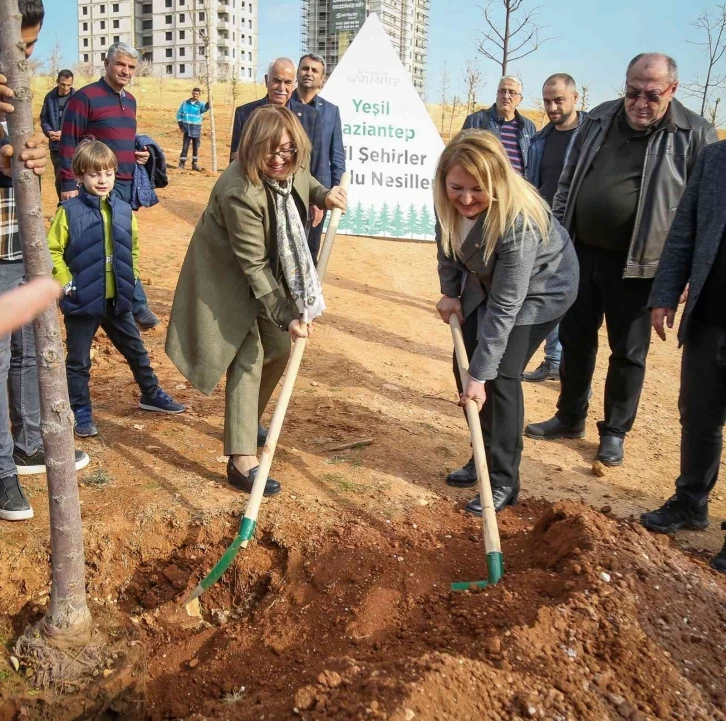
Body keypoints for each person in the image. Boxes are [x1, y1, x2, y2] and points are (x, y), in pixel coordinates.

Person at [525, 53, 718, 468]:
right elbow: (567, 183)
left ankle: (614, 431)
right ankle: (569, 415)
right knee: (576, 340)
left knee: (628, 353)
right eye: (633, 92)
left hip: (642, 266)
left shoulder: (695, 134)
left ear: (672, 90)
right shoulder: (597, 119)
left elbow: (705, 212)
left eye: (652, 94)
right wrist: (556, 242)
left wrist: (686, 274)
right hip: (580, 253)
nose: (640, 102)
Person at [166, 105, 346, 497]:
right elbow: (254, 266)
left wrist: (324, 194)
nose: (281, 159)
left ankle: (245, 419)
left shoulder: (287, 166)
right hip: (227, 279)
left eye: (289, 150)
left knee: (279, 350)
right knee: (247, 356)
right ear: (252, 147)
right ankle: (241, 457)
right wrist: (287, 314)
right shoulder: (240, 191)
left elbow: (304, 178)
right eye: (272, 151)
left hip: (264, 273)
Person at [436, 130, 578, 515]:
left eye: (477, 189)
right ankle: (480, 455)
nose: (465, 199)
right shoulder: (446, 199)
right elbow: (448, 247)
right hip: (486, 278)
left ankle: (502, 480)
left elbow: (505, 307)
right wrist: (450, 291)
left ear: (497, 182)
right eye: (456, 187)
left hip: (541, 290)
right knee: (463, 362)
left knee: (497, 375)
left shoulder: (520, 223)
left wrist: (481, 376)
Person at [0, 0, 89, 523]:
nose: (23, 56)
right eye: (17, 45)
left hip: (16, 241)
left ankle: (30, 442)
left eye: (30, 47)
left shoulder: (19, 91)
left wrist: (30, 156)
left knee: (28, 351)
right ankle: (1, 473)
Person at [48, 139, 184, 438]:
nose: (102, 180)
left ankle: (151, 393)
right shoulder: (68, 212)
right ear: (80, 175)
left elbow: (132, 248)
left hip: (117, 299)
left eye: (108, 173)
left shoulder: (123, 210)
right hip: (82, 301)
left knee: (136, 351)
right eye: (95, 174)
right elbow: (53, 250)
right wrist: (67, 282)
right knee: (79, 361)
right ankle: (81, 411)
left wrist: (131, 276)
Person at [639, 140, 726, 573]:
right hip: (710, 318)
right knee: (698, 416)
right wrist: (665, 294)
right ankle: (691, 502)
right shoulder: (714, 159)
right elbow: (684, 232)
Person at [59, 42, 160, 331]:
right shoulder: (85, 97)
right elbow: (69, 142)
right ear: (107, 63)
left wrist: (138, 153)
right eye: (121, 65)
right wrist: (68, 182)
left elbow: (122, 140)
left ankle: (122, 302)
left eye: (131, 66)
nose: (126, 71)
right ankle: (135, 305)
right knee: (102, 243)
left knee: (121, 244)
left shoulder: (130, 101)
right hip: (96, 185)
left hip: (124, 182)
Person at [524, 73, 586, 383]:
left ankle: (566, 371)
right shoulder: (539, 139)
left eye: (559, 99)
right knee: (544, 294)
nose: (552, 106)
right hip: (542, 229)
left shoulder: (591, 137)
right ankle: (552, 361)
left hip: (576, 231)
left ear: (576, 98)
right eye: (547, 101)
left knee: (572, 304)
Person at [230, 58, 323, 185]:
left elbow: (317, 163)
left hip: (296, 195)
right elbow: (236, 161)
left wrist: (316, 197)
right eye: (276, 81)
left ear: (294, 84)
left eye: (287, 82)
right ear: (266, 80)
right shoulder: (245, 113)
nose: (282, 88)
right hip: (255, 192)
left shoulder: (310, 116)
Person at [291, 53, 346, 262]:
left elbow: (337, 156)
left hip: (318, 197)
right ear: (297, 72)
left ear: (322, 79)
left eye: (315, 71)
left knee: (310, 251)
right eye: (305, 68)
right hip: (288, 189)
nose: (309, 73)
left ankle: (308, 295)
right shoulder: (283, 106)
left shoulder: (331, 112)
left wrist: (330, 193)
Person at [462, 76, 536, 176]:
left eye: (512, 92)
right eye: (502, 91)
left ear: (520, 99)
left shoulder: (528, 127)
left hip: (517, 189)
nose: (506, 96)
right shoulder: (476, 121)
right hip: (486, 187)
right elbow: (461, 156)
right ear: (497, 94)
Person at [39, 68, 74, 200]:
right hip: (55, 147)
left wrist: (64, 133)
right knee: (60, 178)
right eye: (63, 84)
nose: (66, 88)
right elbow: (44, 118)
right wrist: (49, 132)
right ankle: (62, 207)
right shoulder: (49, 97)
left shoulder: (77, 98)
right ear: (57, 82)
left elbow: (80, 122)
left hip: (73, 145)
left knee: (74, 177)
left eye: (69, 85)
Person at [176, 87, 209, 171]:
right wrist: (181, 125)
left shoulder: (200, 104)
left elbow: (205, 108)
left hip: (196, 128)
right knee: (185, 146)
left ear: (199, 95)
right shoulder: (185, 103)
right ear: (192, 93)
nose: (195, 95)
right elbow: (179, 114)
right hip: (187, 128)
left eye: (197, 94)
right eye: (194, 93)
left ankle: (194, 164)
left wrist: (209, 102)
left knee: (195, 147)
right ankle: (182, 163)